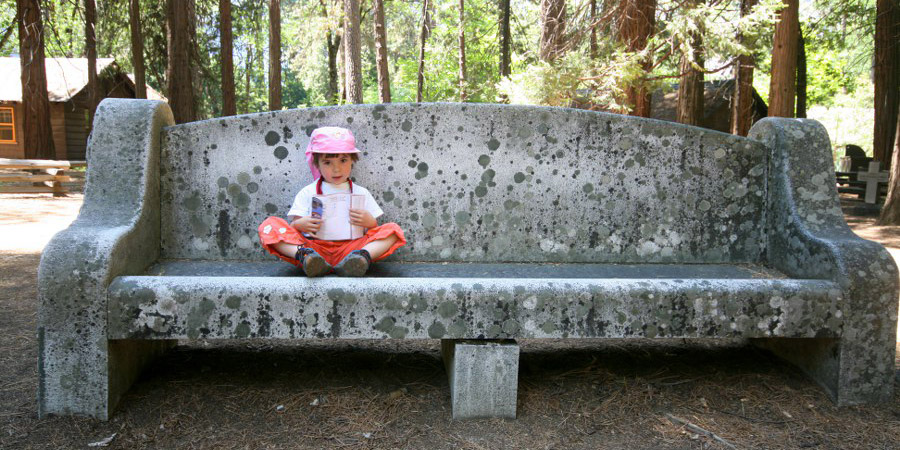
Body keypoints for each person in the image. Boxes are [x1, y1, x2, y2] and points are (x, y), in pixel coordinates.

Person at [257, 126, 406, 276]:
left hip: (351, 249)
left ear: (352, 161)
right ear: (317, 164)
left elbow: (373, 230)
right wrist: (299, 224)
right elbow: (293, 229)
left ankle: (361, 259)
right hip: (314, 249)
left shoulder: (361, 192)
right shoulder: (308, 192)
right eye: (328, 163)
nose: (336, 169)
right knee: (269, 225)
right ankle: (305, 257)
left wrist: (370, 222)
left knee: (393, 230)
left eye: (343, 160)